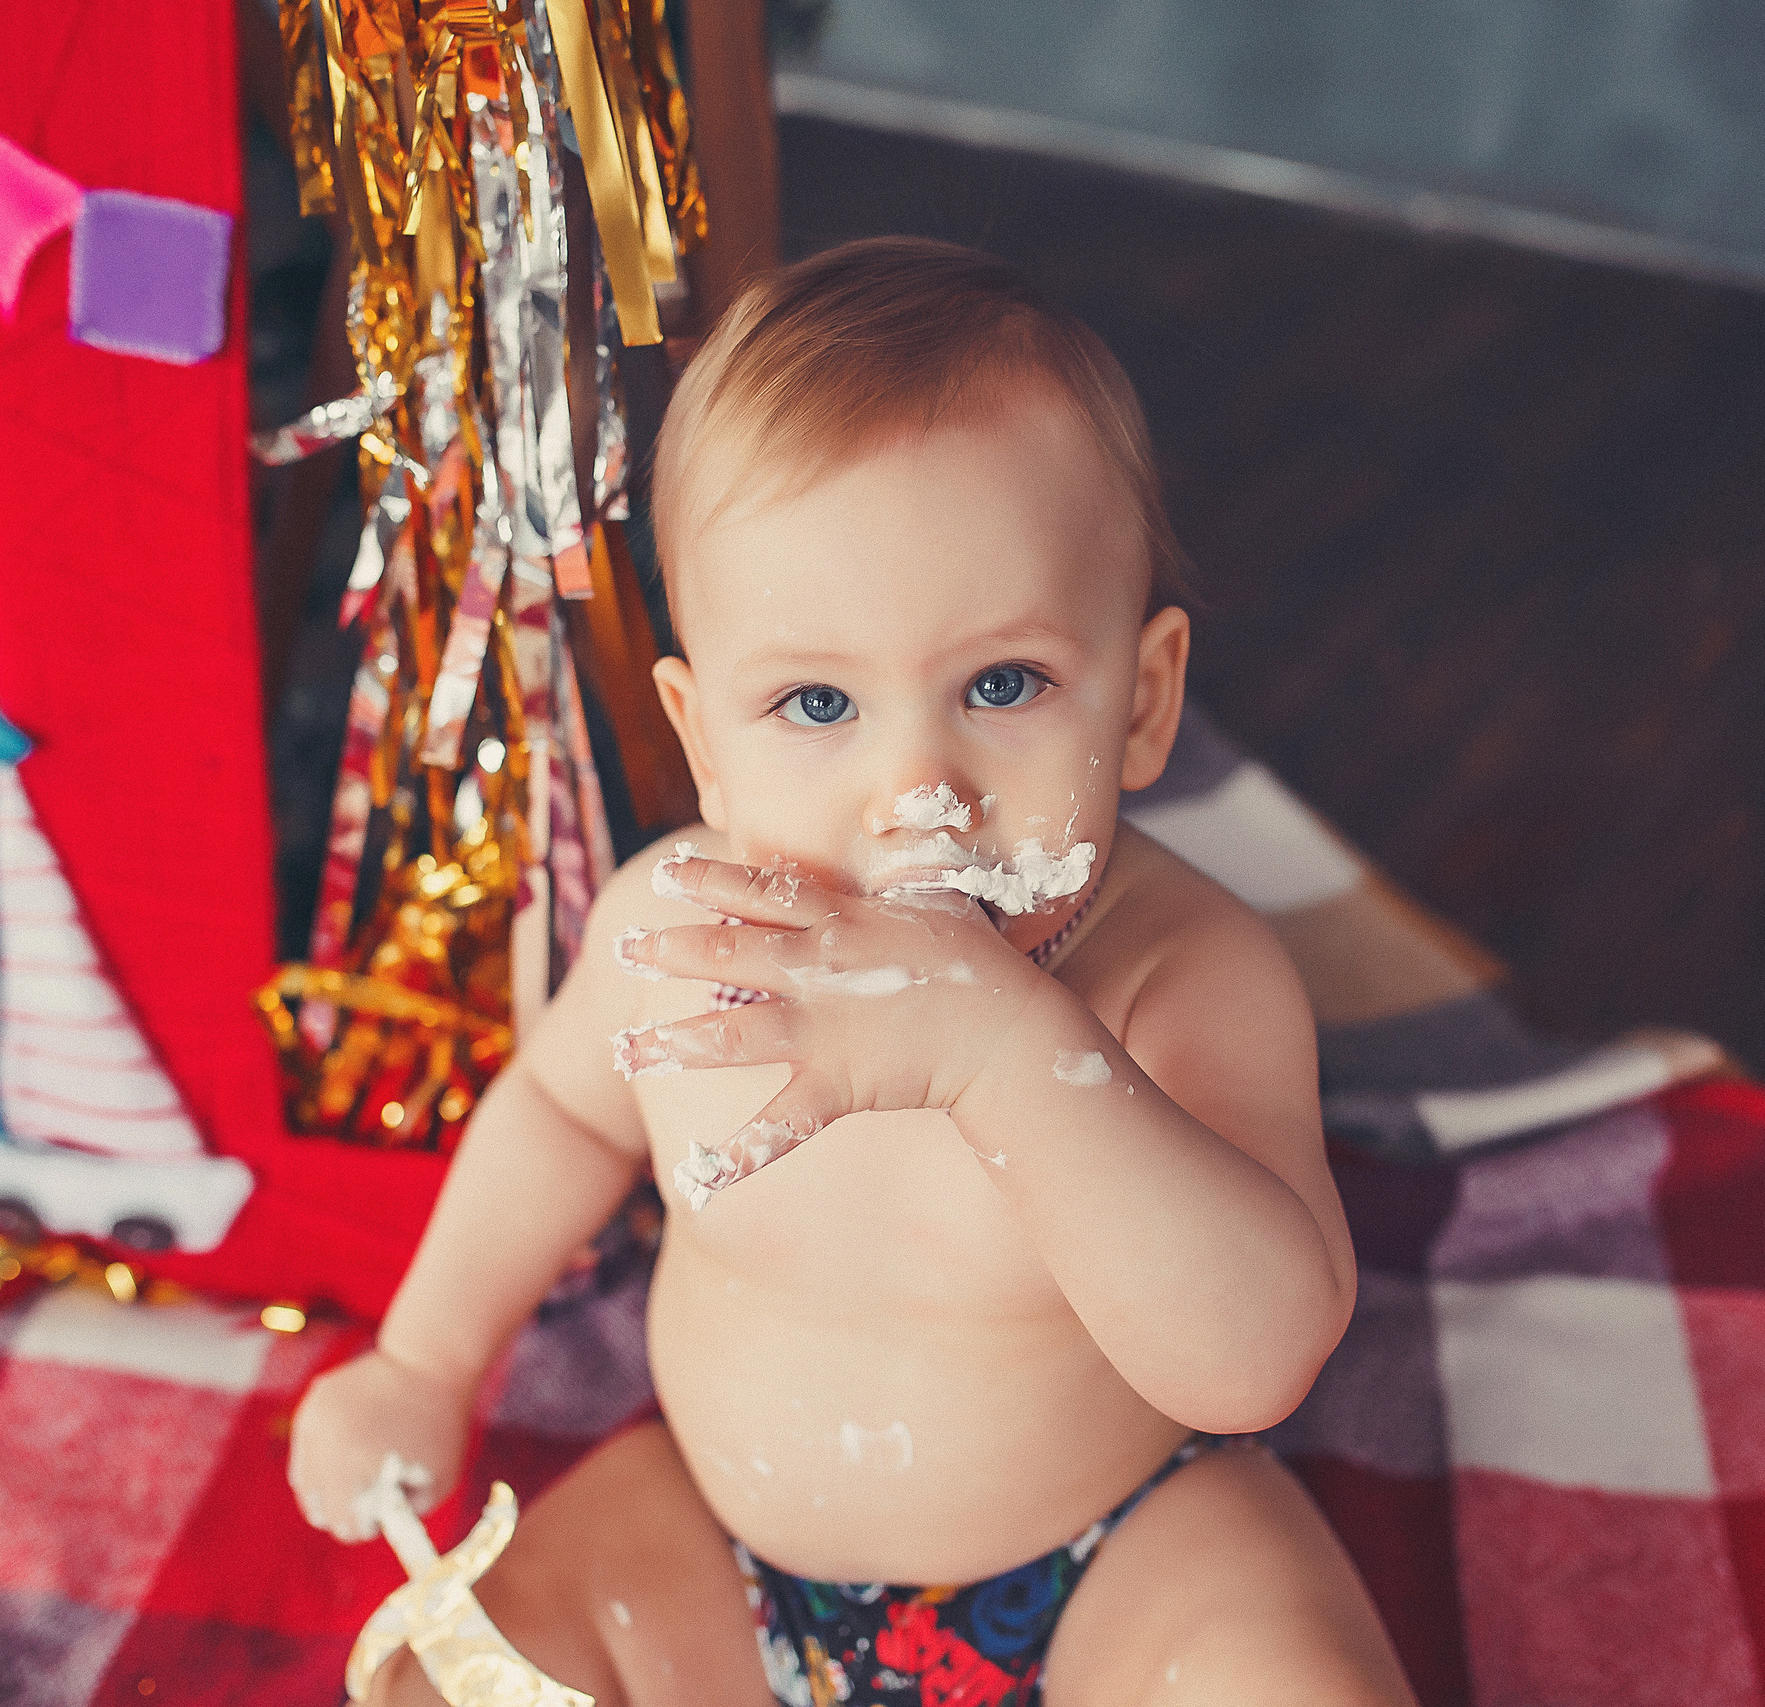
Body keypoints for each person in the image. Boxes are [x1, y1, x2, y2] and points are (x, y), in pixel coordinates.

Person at [290, 237, 1414, 1707]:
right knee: (444, 1682)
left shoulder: (1186, 979)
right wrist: (427, 1362)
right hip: (722, 1549)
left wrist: (1012, 1055)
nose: (916, 790)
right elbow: (561, 1117)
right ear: (704, 742)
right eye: (816, 703)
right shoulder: (673, 940)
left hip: (1112, 1555)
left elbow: (1253, 1363)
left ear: (1142, 705)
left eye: (1002, 685)